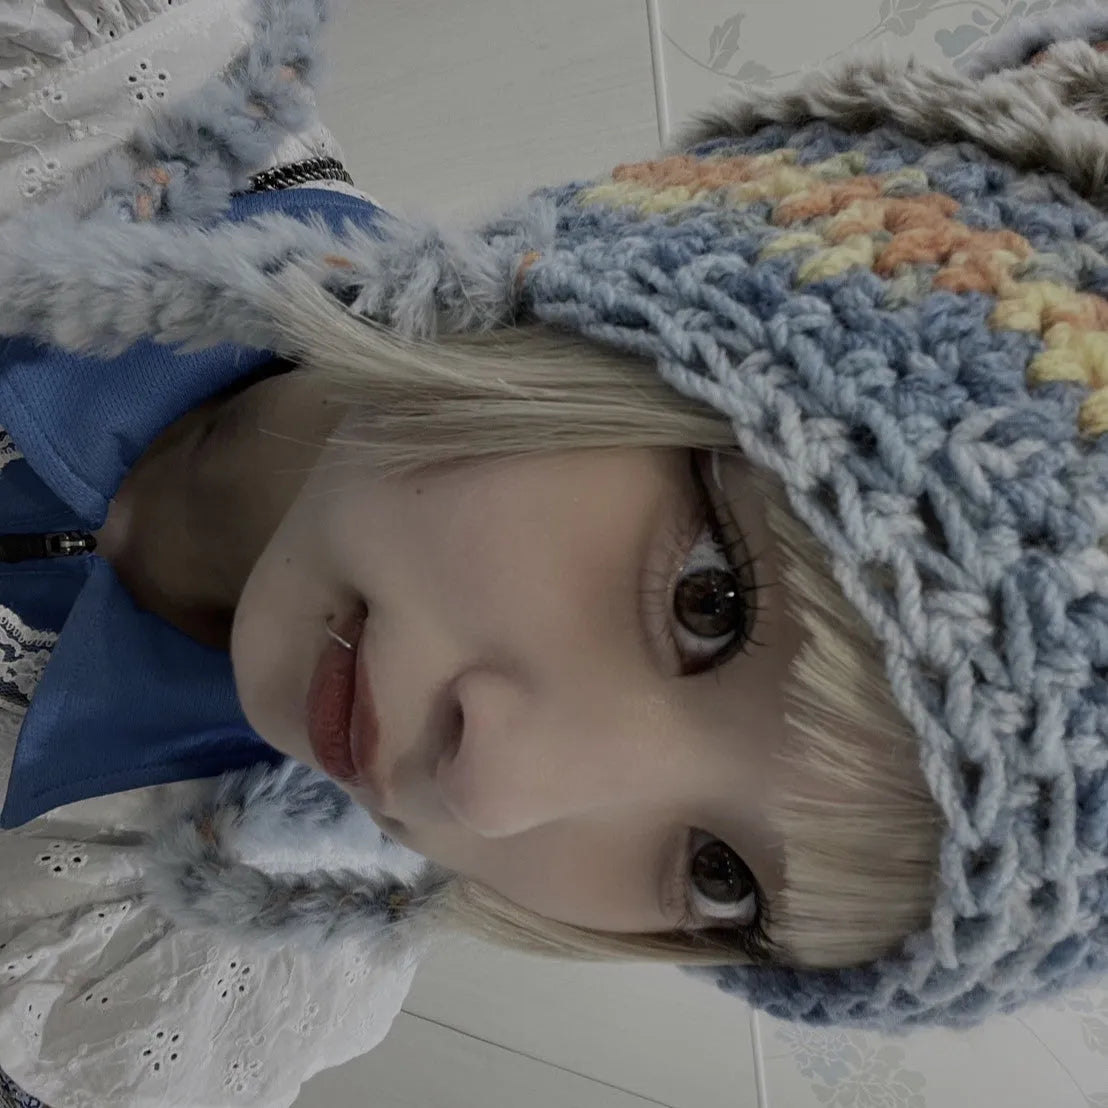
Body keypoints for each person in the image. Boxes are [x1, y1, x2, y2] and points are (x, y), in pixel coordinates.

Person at [3, 0, 1108, 1104]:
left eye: (719, 877)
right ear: (637, 292)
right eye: (710, 601)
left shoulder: (156, 997)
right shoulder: (89, 75)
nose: (494, 793)